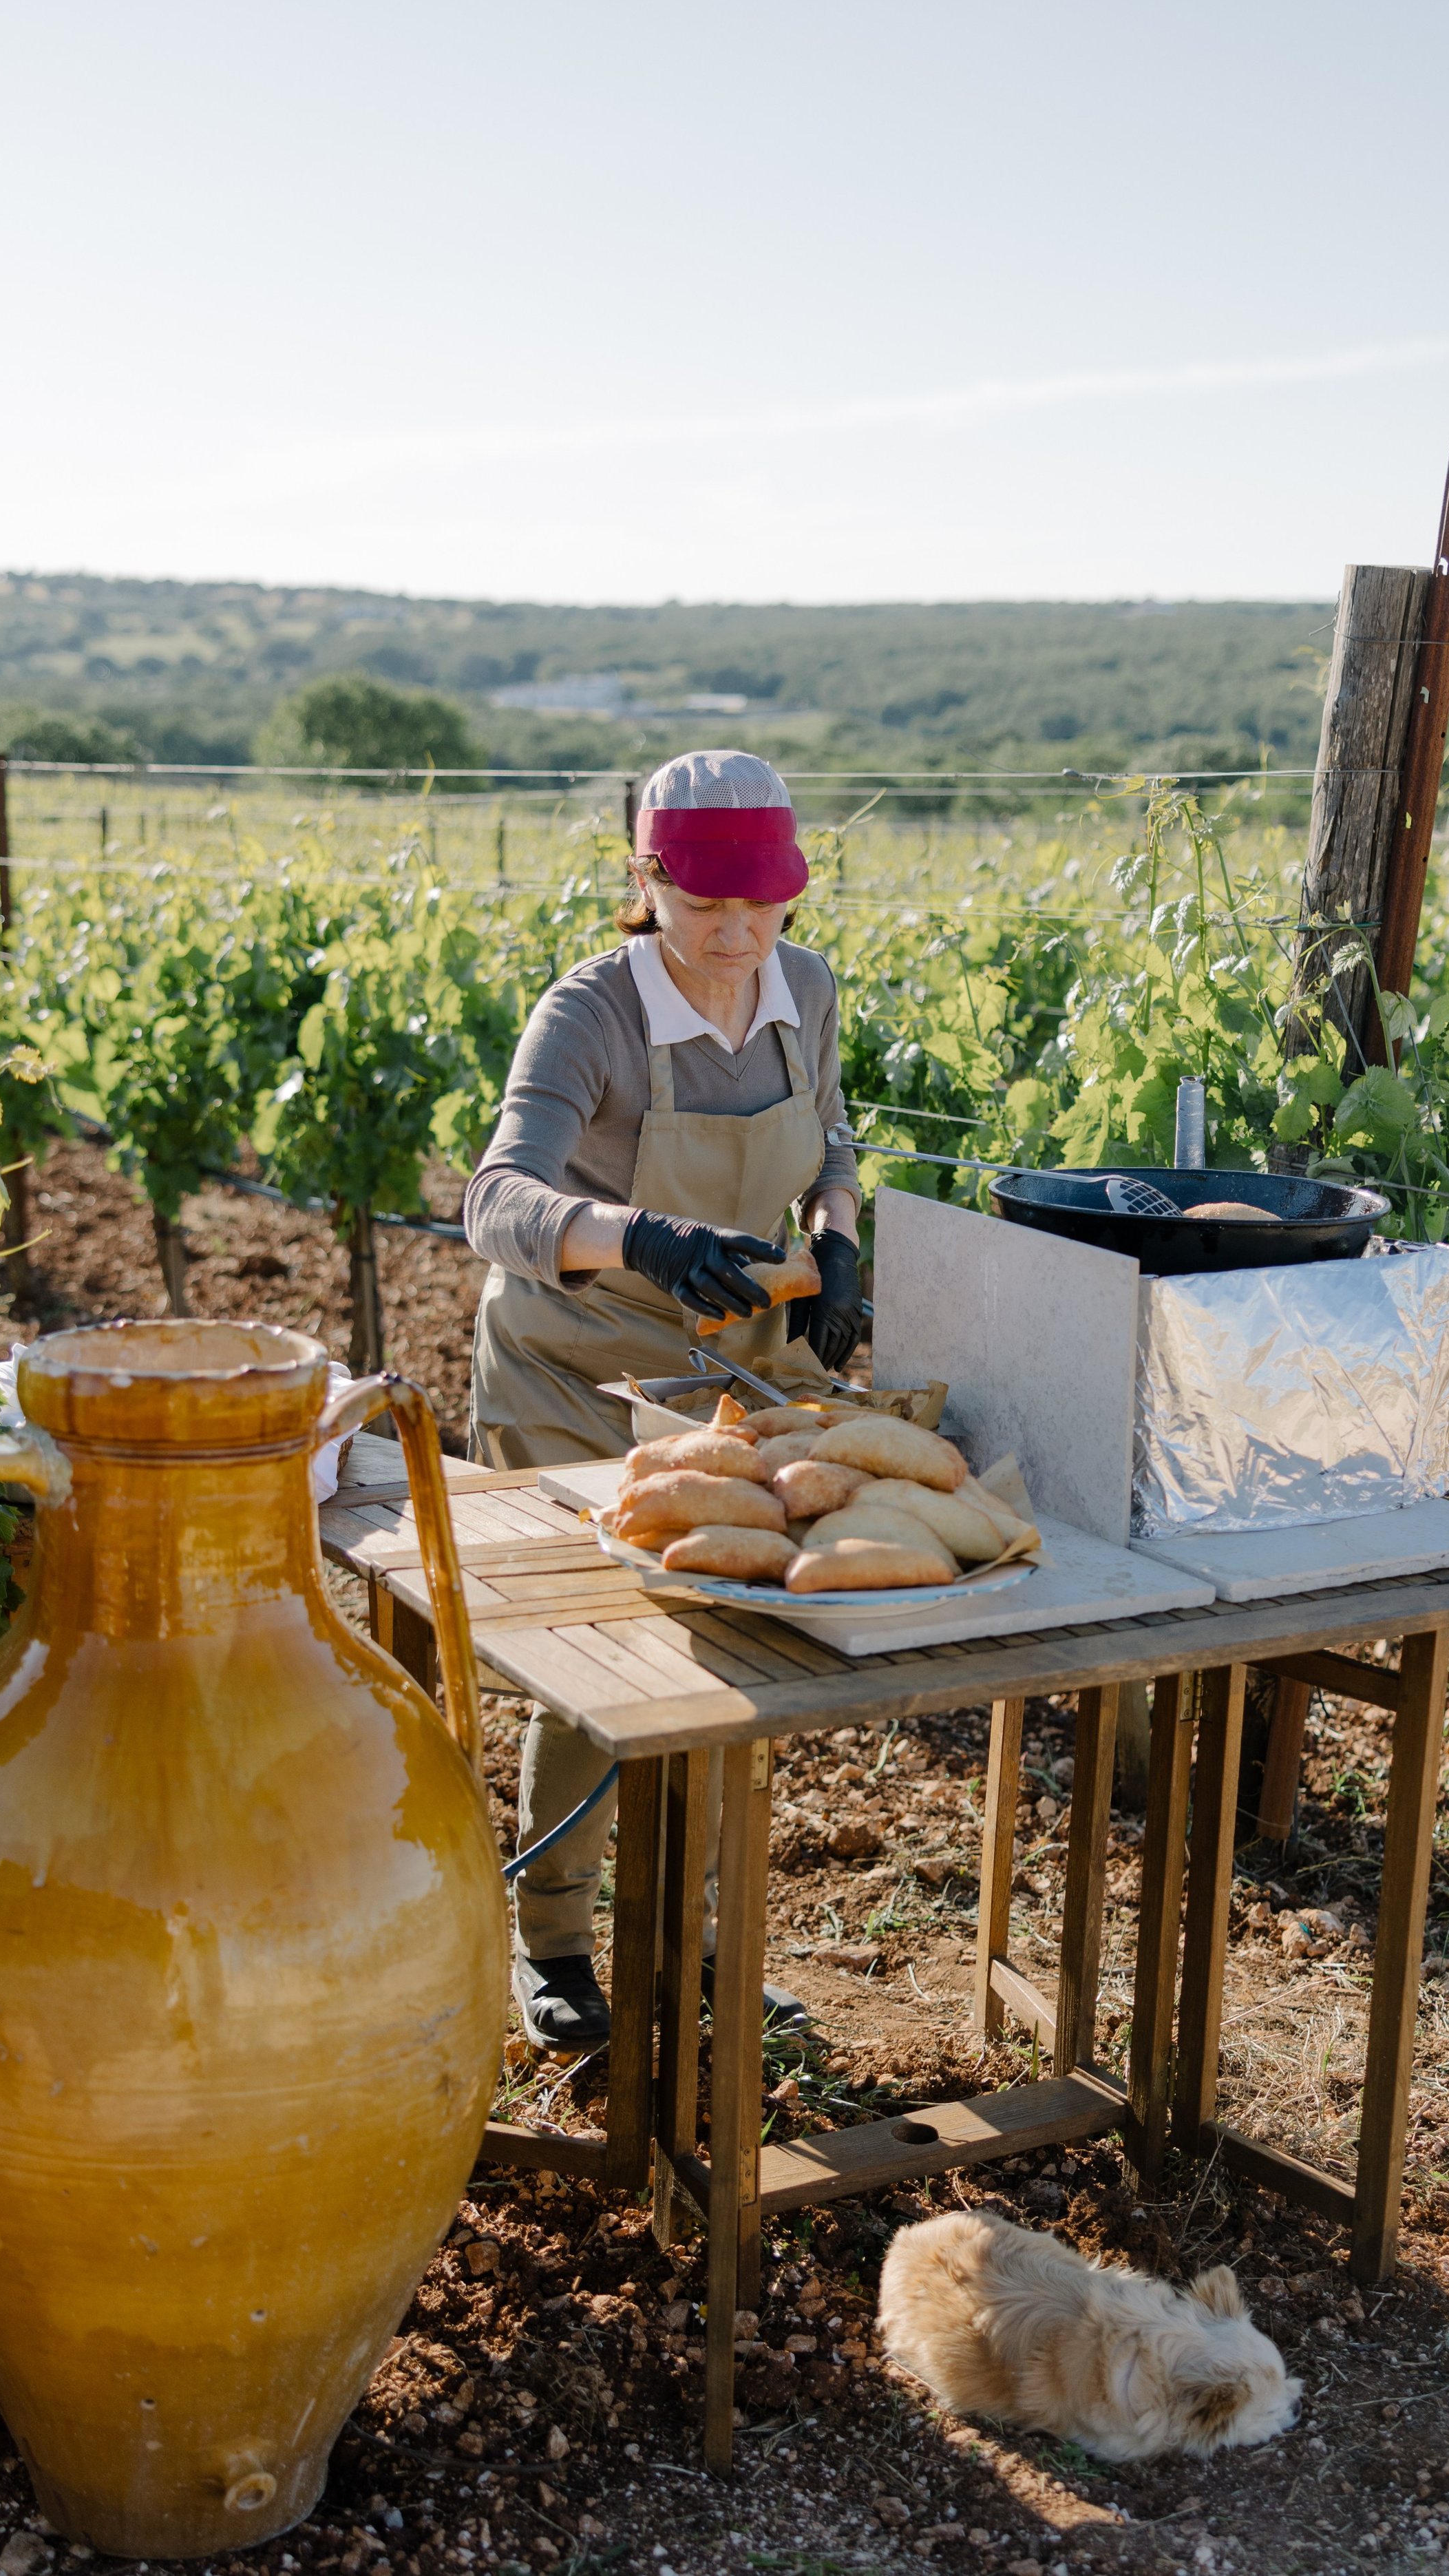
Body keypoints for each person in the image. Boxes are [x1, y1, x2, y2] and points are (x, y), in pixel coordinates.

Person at [463, 750, 863, 2051]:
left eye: (763, 903)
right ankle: (558, 1945)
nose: (738, 933)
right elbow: (497, 1201)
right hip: (577, 1361)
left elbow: (833, 1141)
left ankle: (700, 1948)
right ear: (648, 881)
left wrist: (838, 1237)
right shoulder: (591, 1014)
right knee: (606, 1658)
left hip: (725, 1364)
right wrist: (635, 1238)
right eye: (704, 905)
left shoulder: (803, 987)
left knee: (734, 1656)